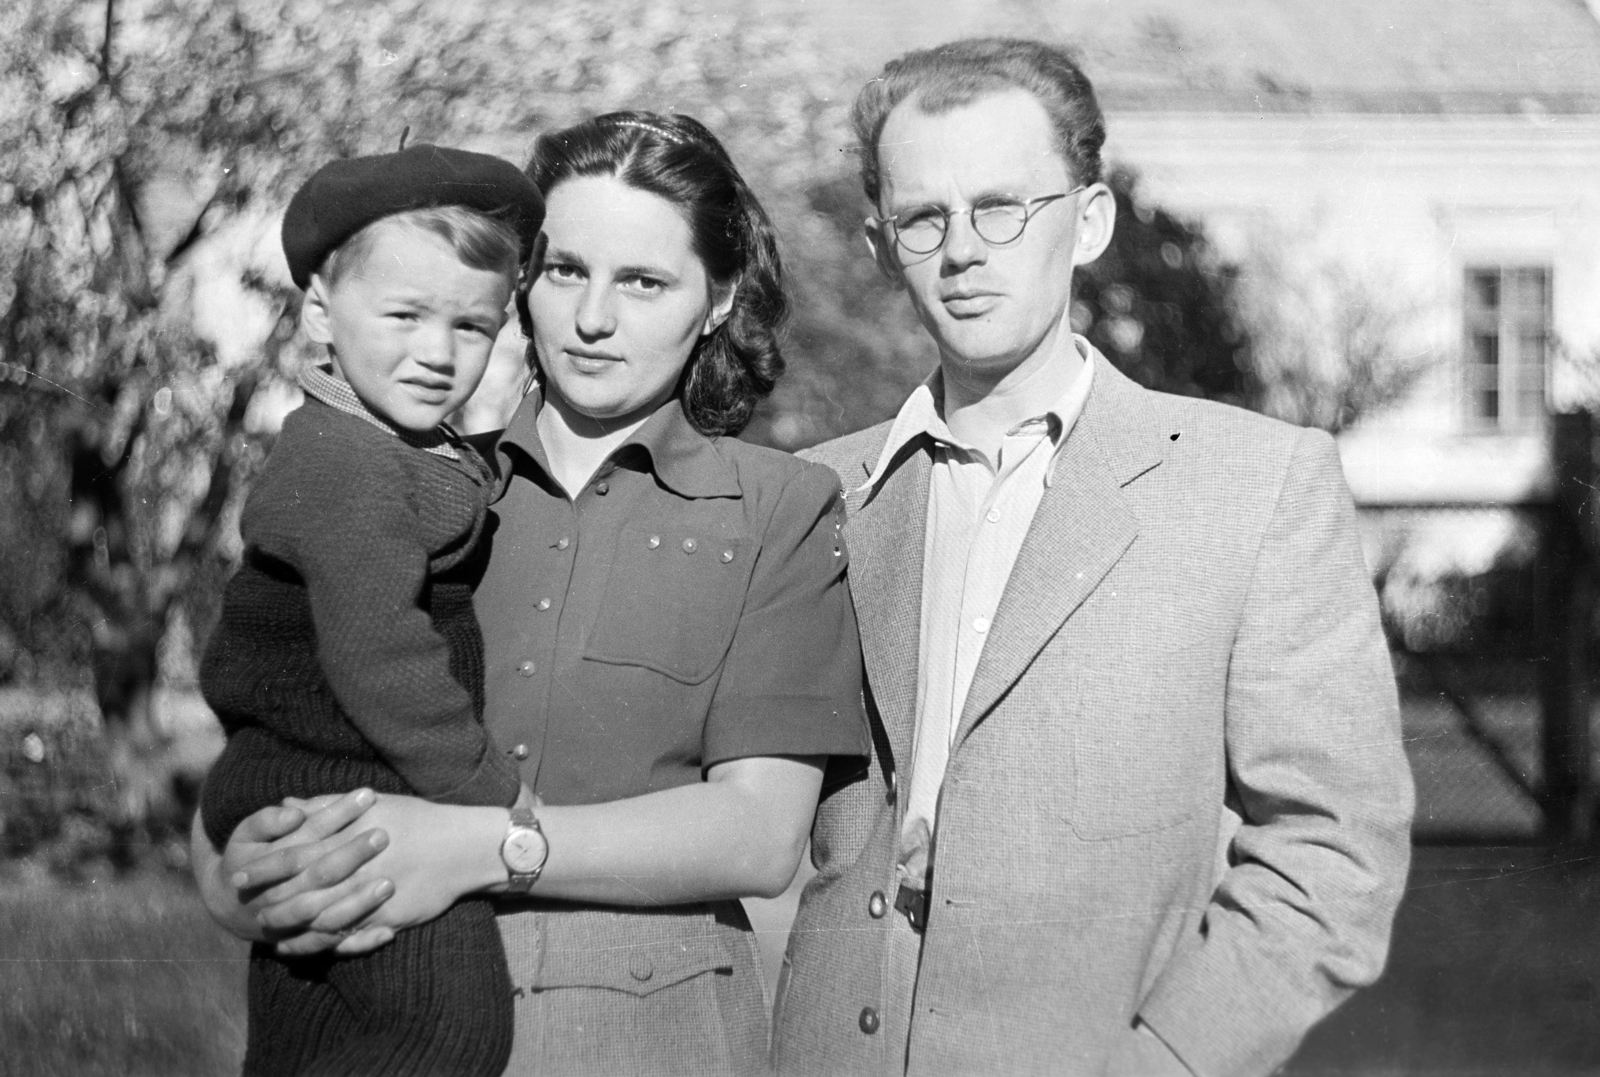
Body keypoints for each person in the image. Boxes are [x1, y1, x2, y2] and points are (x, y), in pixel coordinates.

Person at [771, 38, 1415, 1077]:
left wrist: (1165, 1062)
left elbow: (1332, 857)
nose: (963, 250)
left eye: (1002, 207)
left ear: (1090, 219)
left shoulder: (1251, 487)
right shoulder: (816, 498)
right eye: (923, 218)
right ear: (881, 244)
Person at [191, 111, 868, 1077]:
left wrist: (487, 846)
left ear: (715, 300)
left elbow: (760, 836)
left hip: (648, 1046)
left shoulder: (779, 510)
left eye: (643, 281)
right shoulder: (392, 486)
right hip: (365, 1023)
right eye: (564, 272)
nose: (593, 319)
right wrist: (238, 879)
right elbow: (259, 734)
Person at [198, 143, 542, 1077]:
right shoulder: (348, 466)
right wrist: (493, 799)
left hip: (301, 772)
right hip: (338, 780)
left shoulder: (393, 443)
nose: (438, 353)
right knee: (446, 1026)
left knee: (311, 1032)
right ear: (320, 310)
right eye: (404, 315)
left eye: (473, 327)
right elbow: (380, 658)